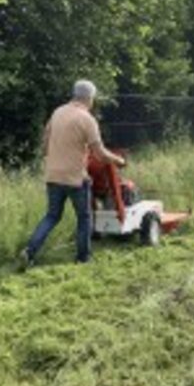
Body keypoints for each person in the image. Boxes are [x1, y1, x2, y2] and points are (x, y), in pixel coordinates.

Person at [21, 80, 126, 267]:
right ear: (90, 98)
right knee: (84, 218)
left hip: (53, 175)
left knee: (52, 216)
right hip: (76, 178)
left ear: (74, 95)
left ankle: (29, 251)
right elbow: (100, 154)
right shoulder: (87, 119)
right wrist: (118, 161)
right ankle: (83, 258)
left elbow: (45, 144)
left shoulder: (57, 112)